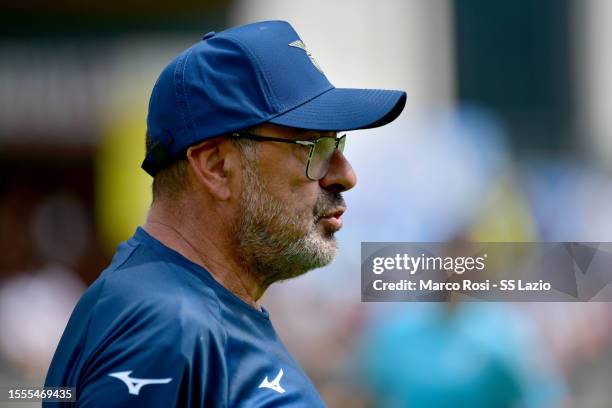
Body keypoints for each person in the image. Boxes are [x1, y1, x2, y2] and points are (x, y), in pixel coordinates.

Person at [44, 20, 406, 407]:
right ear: (216, 166)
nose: (345, 175)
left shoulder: (186, 308)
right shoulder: (166, 321)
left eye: (336, 144)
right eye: (312, 146)